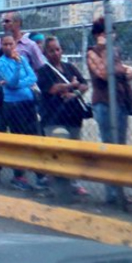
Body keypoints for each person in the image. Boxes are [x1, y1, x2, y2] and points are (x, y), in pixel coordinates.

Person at [0, 11, 46, 184]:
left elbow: (39, 68)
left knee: (32, 134)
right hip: (5, 97)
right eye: (3, 21)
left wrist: (22, 83)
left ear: (17, 23)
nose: (3, 24)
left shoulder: (29, 45)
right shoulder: (0, 43)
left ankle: (40, 173)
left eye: (7, 21)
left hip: (26, 99)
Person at [87, 17, 132, 206]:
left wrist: (122, 69)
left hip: (120, 101)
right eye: (108, 32)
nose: (112, 36)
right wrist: (123, 70)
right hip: (105, 103)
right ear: (99, 35)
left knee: (120, 149)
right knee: (109, 146)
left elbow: (119, 71)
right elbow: (103, 72)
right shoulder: (93, 52)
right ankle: (112, 194)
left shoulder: (113, 51)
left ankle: (120, 192)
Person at [37, 37, 89, 198]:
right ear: (45, 53)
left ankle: (73, 183)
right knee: (59, 149)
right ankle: (56, 184)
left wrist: (75, 93)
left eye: (58, 49)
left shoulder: (70, 68)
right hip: (53, 118)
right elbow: (52, 89)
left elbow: (84, 84)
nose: (55, 53)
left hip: (73, 116)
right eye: (51, 50)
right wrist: (71, 85)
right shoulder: (44, 71)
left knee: (73, 151)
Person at [0, 34, 39, 191]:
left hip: (28, 102)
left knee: (34, 137)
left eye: (11, 44)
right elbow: (11, 84)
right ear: (1, 46)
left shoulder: (22, 58)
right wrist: (19, 70)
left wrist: (20, 82)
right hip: (12, 105)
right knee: (18, 139)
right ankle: (18, 175)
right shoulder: (1, 63)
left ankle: (40, 174)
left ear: (15, 45)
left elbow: (33, 77)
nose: (8, 47)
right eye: (5, 44)